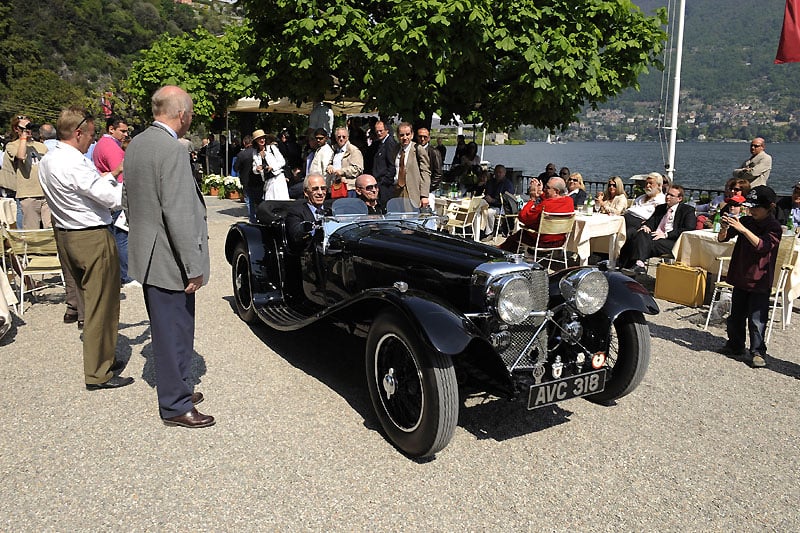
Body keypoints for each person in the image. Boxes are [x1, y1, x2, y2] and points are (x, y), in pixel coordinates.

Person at [124, 85, 214, 428]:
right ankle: (175, 404)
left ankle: (177, 388)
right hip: (170, 258)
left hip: (150, 252)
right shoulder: (171, 149)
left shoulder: (137, 144)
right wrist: (192, 266)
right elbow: (178, 214)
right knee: (174, 330)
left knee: (169, 328)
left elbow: (127, 201)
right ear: (182, 115)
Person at [38, 106, 133, 390]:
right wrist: (131, 187)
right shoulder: (74, 162)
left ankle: (103, 357)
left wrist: (112, 172)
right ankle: (98, 372)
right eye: (90, 135)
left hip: (68, 234)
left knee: (92, 301)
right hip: (90, 236)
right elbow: (109, 198)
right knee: (101, 305)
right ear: (77, 132)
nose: (92, 141)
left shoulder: (50, 159)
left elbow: (86, 189)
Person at [716, 186, 782, 368]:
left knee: (757, 318)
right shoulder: (746, 220)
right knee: (736, 315)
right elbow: (722, 239)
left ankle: (758, 351)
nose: (751, 210)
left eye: (756, 207)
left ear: (770, 207)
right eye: (750, 206)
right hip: (741, 274)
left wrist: (743, 229)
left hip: (760, 278)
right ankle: (735, 345)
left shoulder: (774, 227)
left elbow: (762, 246)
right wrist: (724, 227)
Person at [92, 115, 137, 288]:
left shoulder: (103, 145)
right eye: (122, 131)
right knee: (122, 237)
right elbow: (121, 173)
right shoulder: (110, 146)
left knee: (118, 237)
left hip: (111, 196)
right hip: (117, 197)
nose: (125, 134)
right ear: (111, 129)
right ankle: (126, 276)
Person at [618, 185, 696, 275]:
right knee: (638, 233)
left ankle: (626, 266)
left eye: (671, 195)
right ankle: (637, 266)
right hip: (655, 236)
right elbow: (651, 221)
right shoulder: (660, 208)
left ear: (679, 198)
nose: (667, 197)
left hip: (672, 241)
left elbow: (688, 229)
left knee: (641, 242)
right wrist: (647, 226)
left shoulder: (687, 210)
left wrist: (666, 235)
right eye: (667, 194)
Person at [499, 176, 574, 252]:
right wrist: (541, 193)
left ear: (556, 191)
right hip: (560, 241)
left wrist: (532, 198)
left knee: (517, 236)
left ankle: (501, 253)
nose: (545, 189)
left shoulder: (545, 205)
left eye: (547, 187)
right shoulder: (569, 201)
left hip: (541, 241)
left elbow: (523, 217)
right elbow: (553, 201)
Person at [3, 115, 50, 229]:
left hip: (45, 193)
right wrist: (23, 136)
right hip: (28, 195)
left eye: (29, 126)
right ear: (16, 129)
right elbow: (21, 155)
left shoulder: (41, 146)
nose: (28, 130)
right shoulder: (12, 145)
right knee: (32, 231)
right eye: (24, 127)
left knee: (50, 230)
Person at [393, 122, 430, 209]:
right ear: (398, 136)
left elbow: (425, 172)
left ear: (412, 135)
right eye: (402, 135)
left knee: (410, 219)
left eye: (407, 134)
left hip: (411, 191)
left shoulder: (418, 149)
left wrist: (424, 195)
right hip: (397, 190)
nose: (405, 138)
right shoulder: (395, 150)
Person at [286, 173, 327, 250]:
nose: (320, 193)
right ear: (306, 192)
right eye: (315, 189)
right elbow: (296, 237)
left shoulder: (331, 211)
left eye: (323, 188)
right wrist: (314, 228)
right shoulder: (295, 212)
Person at [623, 172, 665, 240]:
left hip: (640, 225)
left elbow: (658, 219)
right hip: (626, 221)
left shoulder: (661, 201)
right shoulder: (640, 198)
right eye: (646, 183)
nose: (647, 186)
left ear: (659, 185)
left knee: (627, 233)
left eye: (651, 183)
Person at [326, 126, 364, 193]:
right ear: (335, 138)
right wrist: (329, 167)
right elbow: (330, 163)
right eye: (339, 137)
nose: (341, 139)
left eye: (344, 137)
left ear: (347, 137)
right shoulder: (334, 150)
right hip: (335, 186)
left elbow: (358, 169)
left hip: (349, 188)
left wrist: (342, 171)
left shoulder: (354, 151)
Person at [253, 132, 289, 201]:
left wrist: (272, 167)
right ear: (256, 141)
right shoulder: (255, 153)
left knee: (280, 201)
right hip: (267, 180)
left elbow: (282, 162)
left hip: (277, 178)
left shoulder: (272, 148)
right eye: (259, 139)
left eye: (263, 138)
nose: (262, 140)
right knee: (269, 202)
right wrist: (257, 169)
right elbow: (254, 168)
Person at [373, 121, 398, 208]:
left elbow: (392, 165)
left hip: (385, 185)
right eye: (377, 131)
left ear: (387, 130)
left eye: (381, 131)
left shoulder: (389, 143)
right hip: (380, 182)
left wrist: (383, 182)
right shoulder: (380, 143)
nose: (379, 133)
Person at [235, 134, 259, 222]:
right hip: (258, 180)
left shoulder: (241, 154)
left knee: (249, 201)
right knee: (258, 200)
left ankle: (252, 220)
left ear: (244, 143)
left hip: (246, 181)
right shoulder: (257, 152)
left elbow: (235, 167)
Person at [416, 127, 442, 203]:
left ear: (429, 138)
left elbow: (438, 173)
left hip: (429, 191)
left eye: (425, 137)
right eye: (420, 136)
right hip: (415, 190)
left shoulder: (434, 152)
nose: (422, 139)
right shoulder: (413, 150)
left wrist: (428, 188)